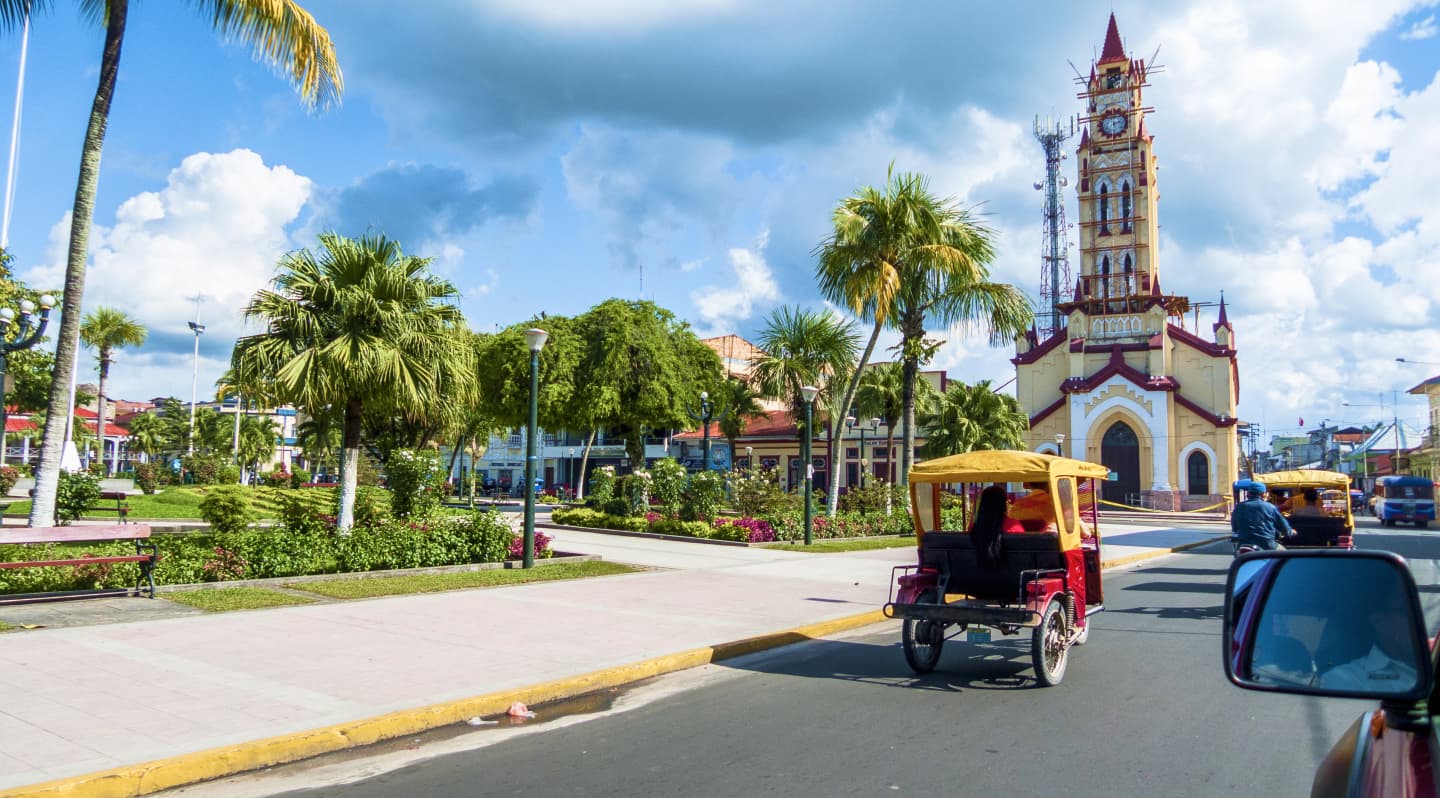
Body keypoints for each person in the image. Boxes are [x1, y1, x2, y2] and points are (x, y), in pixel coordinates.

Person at [1231, 480, 1295, 551]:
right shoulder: (1270, 507)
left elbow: (1234, 527)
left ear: (1248, 493)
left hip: (1244, 545)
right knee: (1285, 554)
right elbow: (1283, 526)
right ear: (1263, 494)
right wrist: (1290, 532)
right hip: (1267, 545)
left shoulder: (1238, 507)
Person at [970, 484, 1022, 570]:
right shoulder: (1013, 526)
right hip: (1011, 574)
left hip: (974, 574)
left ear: (982, 504)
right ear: (1003, 504)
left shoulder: (974, 528)